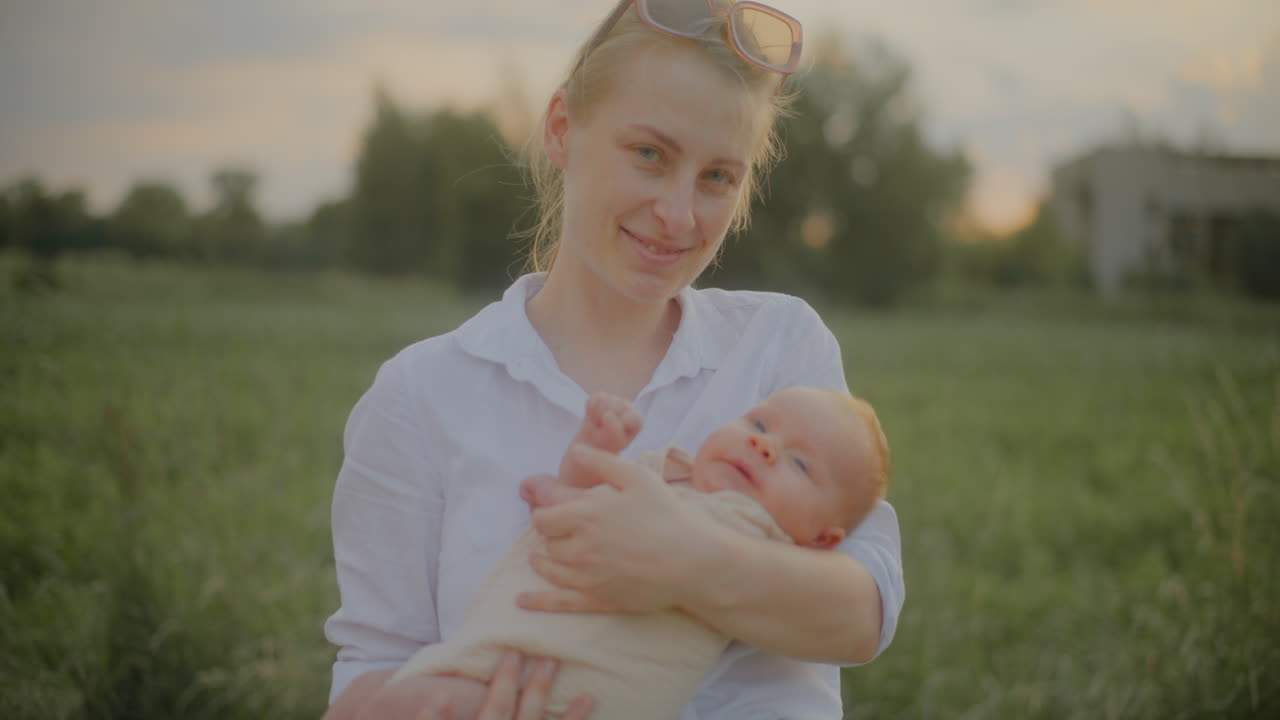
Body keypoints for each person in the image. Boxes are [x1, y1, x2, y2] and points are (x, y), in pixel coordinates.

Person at [323, 1, 905, 718]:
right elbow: (367, 678)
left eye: (718, 176)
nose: (679, 215)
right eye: (650, 155)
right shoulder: (421, 394)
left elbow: (864, 611)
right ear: (563, 129)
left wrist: (681, 561)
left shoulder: (782, 345)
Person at [387, 386, 891, 719]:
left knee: (406, 706)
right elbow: (562, 505)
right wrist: (593, 452)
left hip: (574, 692)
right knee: (380, 702)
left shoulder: (766, 539)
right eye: (758, 426)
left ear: (823, 540)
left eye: (800, 464)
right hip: (494, 658)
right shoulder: (663, 472)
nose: (765, 447)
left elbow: (859, 610)